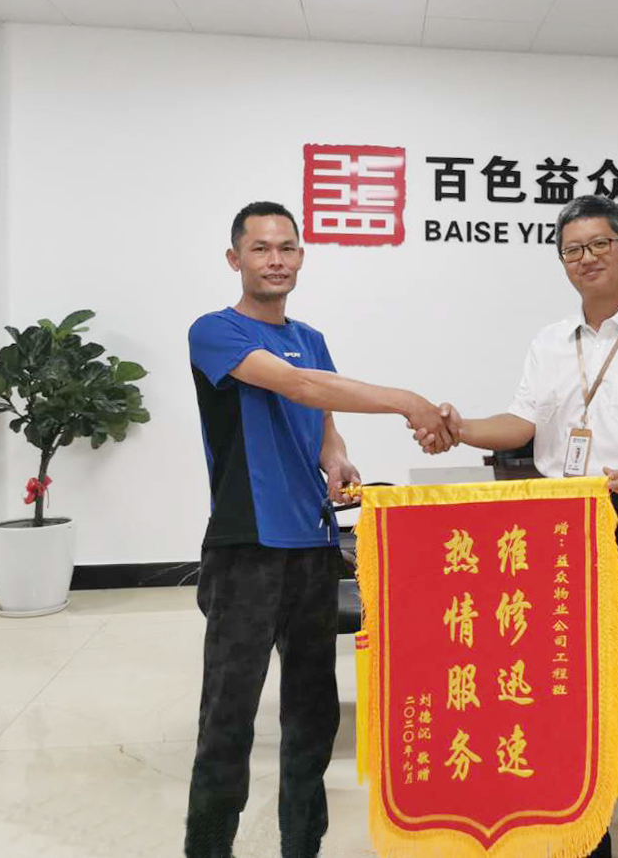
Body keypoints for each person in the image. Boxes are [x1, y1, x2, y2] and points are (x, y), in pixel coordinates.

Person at [415, 194, 618, 858]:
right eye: (572, 250)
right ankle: (583, 837)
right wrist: (461, 427)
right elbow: (521, 424)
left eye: (599, 244)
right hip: (563, 531)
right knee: (570, 690)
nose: (586, 258)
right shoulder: (549, 343)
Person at [185, 201, 454, 858]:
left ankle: (301, 843)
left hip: (313, 545)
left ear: (301, 256)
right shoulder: (215, 331)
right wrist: (407, 401)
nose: (275, 260)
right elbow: (299, 387)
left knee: (312, 714)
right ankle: (208, 847)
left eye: (287, 247)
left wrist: (335, 456)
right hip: (247, 547)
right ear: (235, 259)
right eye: (260, 248)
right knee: (228, 717)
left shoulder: (311, 337)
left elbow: (323, 413)